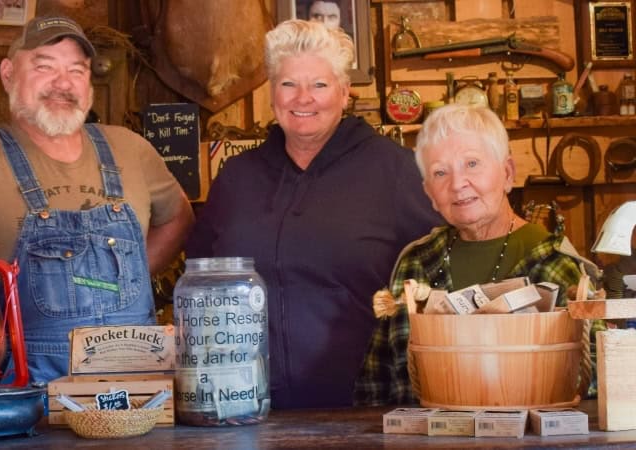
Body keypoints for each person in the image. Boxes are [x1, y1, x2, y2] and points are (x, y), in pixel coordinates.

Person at [0, 16, 194, 383]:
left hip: (136, 391)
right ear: (9, 74)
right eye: (45, 67)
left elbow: (179, 218)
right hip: (24, 399)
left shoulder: (130, 149)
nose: (63, 83)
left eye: (77, 70)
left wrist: (123, 282)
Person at [184, 19, 442, 409]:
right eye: (289, 84)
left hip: (365, 409)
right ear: (272, 93)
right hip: (244, 407)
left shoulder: (396, 170)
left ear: (344, 93)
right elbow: (200, 279)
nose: (303, 98)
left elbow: (438, 275)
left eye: (319, 85)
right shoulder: (238, 177)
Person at [353, 104, 596, 406]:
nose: (457, 184)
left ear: (507, 174)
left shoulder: (556, 265)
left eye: (472, 164)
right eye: (440, 172)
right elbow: (375, 386)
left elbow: (595, 389)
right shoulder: (415, 263)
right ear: (430, 193)